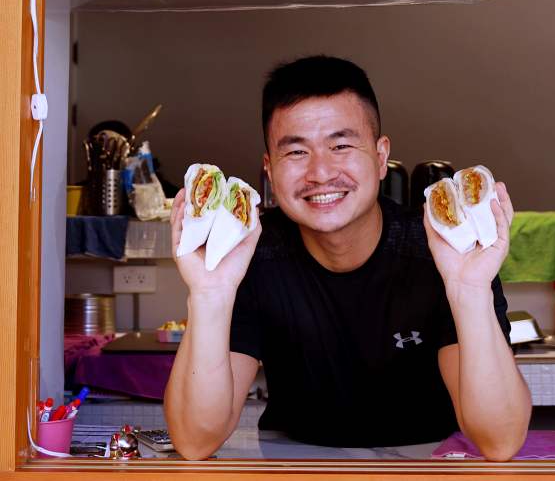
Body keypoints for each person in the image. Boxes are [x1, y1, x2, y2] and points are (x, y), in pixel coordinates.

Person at [164, 56, 531, 460]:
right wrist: (209, 292)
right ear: (269, 169)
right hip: (297, 468)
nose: (321, 172)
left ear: (379, 156)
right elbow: (196, 441)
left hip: (430, 467)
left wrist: (470, 289)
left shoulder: (444, 250)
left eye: (340, 146)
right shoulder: (249, 255)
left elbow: (499, 440)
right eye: (296, 152)